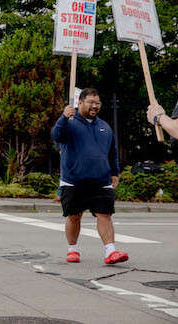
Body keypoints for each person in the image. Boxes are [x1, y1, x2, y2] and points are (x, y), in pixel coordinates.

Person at [51, 88, 128, 266]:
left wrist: (115, 172)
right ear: (80, 103)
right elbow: (56, 136)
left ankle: (111, 251)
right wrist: (63, 117)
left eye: (97, 103)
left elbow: (112, 152)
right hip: (73, 181)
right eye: (91, 102)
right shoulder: (69, 123)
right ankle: (72, 249)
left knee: (105, 215)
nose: (95, 106)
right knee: (74, 216)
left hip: (101, 180)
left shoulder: (104, 127)